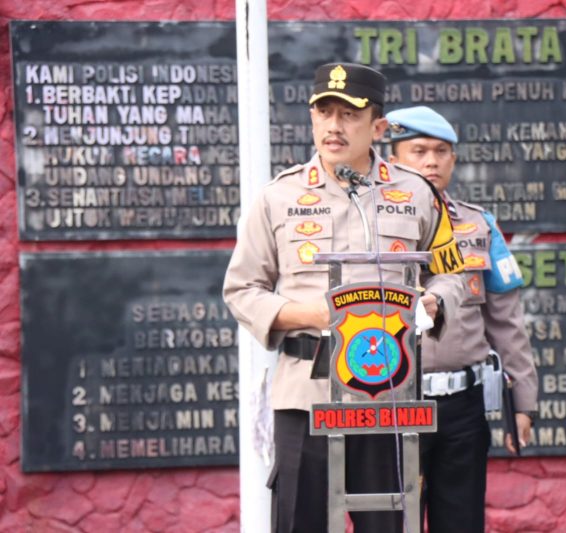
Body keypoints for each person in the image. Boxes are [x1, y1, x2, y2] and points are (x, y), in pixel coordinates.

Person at [223, 65, 464, 533]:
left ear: (378, 127)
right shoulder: (278, 196)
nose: (333, 126)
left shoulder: (416, 193)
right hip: (306, 396)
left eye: (349, 115)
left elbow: (452, 273)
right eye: (324, 112)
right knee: (300, 522)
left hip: (388, 392)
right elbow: (242, 288)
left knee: (388, 525)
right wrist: (309, 314)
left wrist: (434, 302)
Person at [386, 105, 539, 533]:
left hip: (462, 406)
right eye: (418, 151)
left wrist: (522, 402)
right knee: (391, 523)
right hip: (392, 402)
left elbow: (506, 322)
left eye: (441, 151)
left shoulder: (479, 226)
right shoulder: (371, 226)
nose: (431, 161)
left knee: (462, 522)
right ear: (393, 160)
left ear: (454, 160)